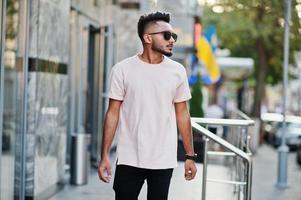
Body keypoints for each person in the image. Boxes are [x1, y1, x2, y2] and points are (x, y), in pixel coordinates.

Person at [97, 11, 197, 200]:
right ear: (147, 38)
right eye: (166, 35)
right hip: (129, 157)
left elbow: (182, 114)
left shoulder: (177, 71)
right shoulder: (122, 69)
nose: (172, 40)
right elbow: (112, 114)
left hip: (163, 159)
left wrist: (190, 156)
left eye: (173, 35)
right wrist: (104, 156)